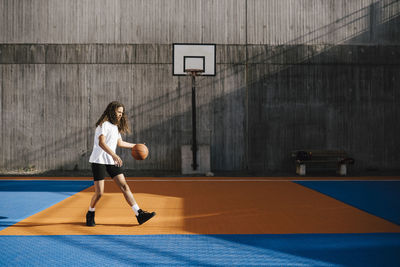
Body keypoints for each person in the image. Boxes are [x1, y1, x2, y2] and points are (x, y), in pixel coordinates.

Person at [86, 101, 156, 226]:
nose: (120, 115)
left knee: (124, 186)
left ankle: (139, 214)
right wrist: (114, 155)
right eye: (118, 112)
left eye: (122, 113)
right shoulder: (103, 125)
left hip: (112, 160)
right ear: (112, 111)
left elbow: (120, 143)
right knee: (100, 193)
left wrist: (136, 146)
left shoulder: (115, 127)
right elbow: (102, 143)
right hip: (99, 160)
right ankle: (90, 212)